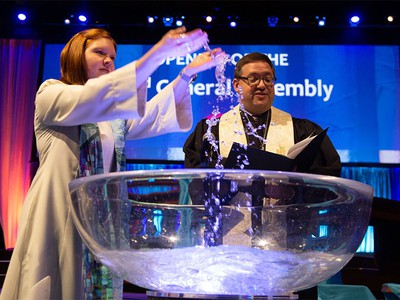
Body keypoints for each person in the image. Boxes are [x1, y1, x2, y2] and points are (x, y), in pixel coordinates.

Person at [0, 27, 225, 300]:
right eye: (99, 53)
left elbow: (153, 114)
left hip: (98, 218)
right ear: (75, 56)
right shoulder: (52, 93)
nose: (108, 60)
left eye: (112, 56)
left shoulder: (114, 118)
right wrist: (156, 56)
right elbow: (89, 98)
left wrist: (185, 75)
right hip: (59, 210)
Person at [183, 52, 342, 177]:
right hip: (231, 217)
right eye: (253, 79)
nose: (262, 85)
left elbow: (325, 179)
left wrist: (293, 188)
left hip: (284, 218)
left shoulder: (302, 131)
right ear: (237, 85)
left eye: (268, 79)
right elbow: (197, 182)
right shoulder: (211, 130)